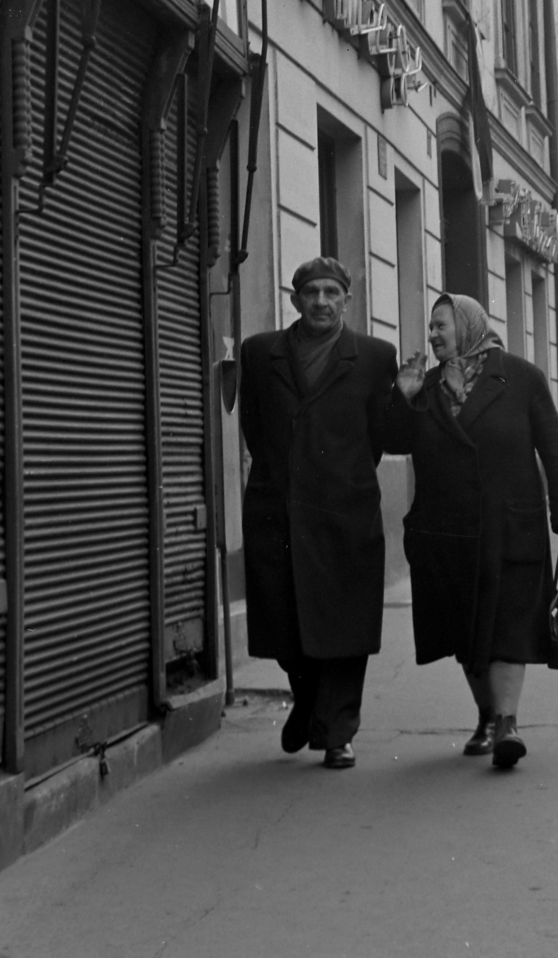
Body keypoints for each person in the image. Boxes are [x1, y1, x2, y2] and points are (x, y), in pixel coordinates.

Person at [392, 293, 558, 769]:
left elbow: (554, 448)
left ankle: (507, 723)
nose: (432, 335)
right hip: (446, 531)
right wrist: (404, 397)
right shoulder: (428, 384)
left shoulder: (520, 377)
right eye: (431, 327)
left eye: (441, 325)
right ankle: (486, 713)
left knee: (507, 628)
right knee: (466, 632)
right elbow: (394, 443)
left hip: (509, 524)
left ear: (468, 325)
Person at [239, 257, 406, 771]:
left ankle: (338, 733)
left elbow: (386, 437)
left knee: (344, 626)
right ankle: (308, 701)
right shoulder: (260, 352)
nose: (321, 302)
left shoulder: (376, 357)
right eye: (311, 292)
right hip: (278, 511)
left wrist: (344, 480)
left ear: (347, 300)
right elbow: (254, 428)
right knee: (286, 626)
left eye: (332, 292)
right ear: (294, 299)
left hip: (344, 512)